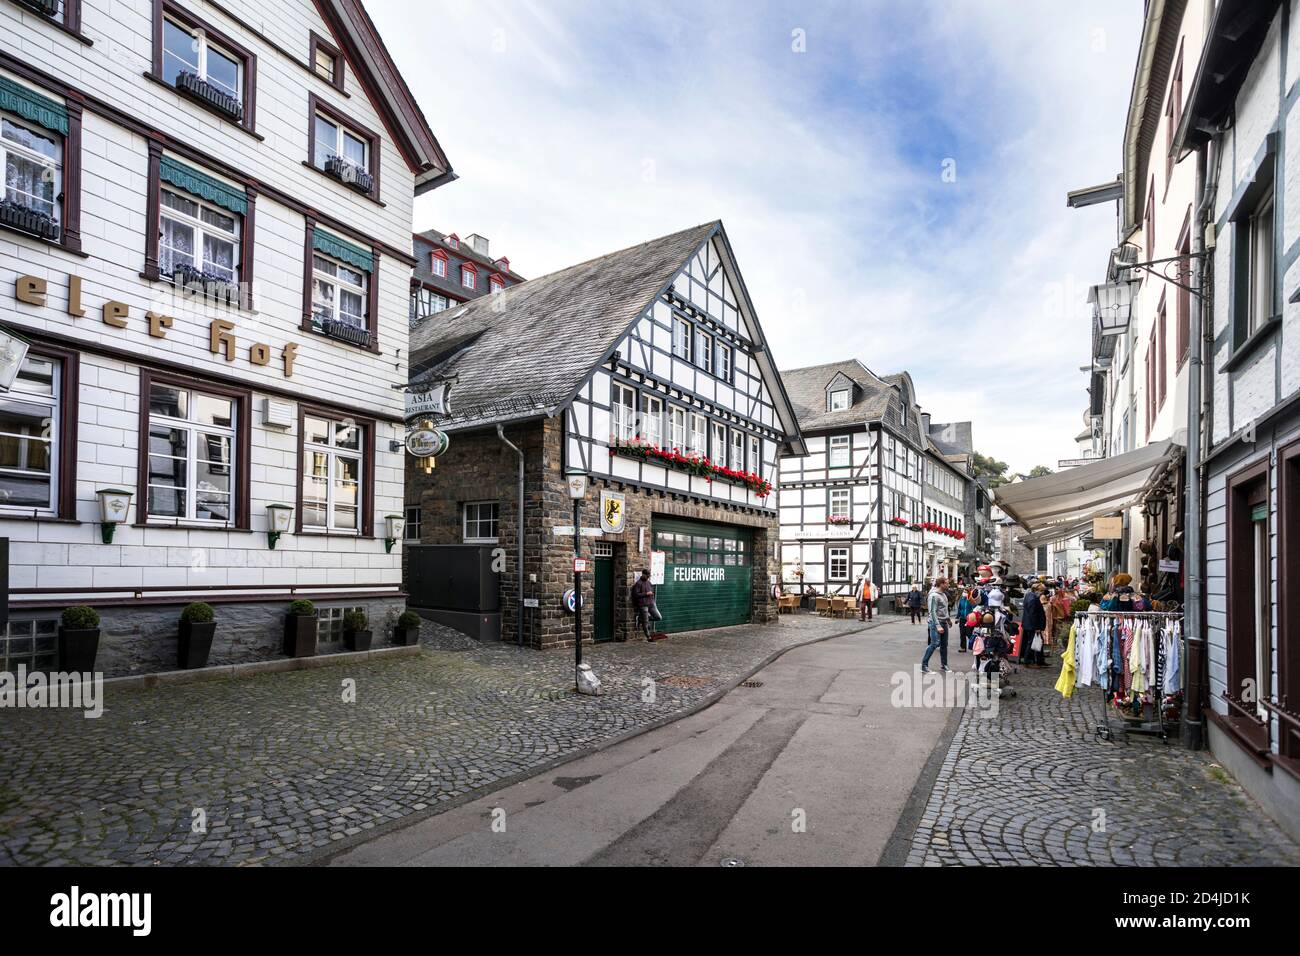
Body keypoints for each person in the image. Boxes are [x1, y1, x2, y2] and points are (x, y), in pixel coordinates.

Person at [921, 577, 952, 673]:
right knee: (934, 643)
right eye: (946, 583)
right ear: (941, 584)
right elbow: (932, 612)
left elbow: (944, 609)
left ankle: (944, 665)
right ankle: (924, 666)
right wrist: (938, 625)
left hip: (943, 622)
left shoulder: (943, 595)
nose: (948, 585)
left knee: (944, 644)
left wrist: (948, 619)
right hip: (935, 623)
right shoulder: (934, 596)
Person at [1019, 583, 1047, 667]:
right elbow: (1033, 614)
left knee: (1038, 642)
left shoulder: (1029, 595)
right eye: (1041, 590)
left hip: (1029, 624)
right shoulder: (1033, 599)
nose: (1042, 593)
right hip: (1032, 625)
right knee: (1031, 643)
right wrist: (1037, 627)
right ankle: (1028, 661)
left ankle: (1039, 660)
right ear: (1035, 590)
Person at [630, 569, 656, 640]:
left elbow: (652, 591)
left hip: (651, 603)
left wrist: (652, 598)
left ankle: (641, 619)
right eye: (647, 575)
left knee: (658, 617)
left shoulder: (649, 583)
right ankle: (648, 637)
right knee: (646, 621)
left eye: (649, 576)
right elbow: (635, 595)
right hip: (643, 604)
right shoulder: (638, 583)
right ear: (643, 574)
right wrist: (646, 594)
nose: (648, 577)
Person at [955, 588, 976, 653]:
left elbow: (975, 608)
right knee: (962, 633)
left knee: (969, 633)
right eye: (964, 591)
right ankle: (963, 647)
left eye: (966, 592)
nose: (964, 593)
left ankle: (974, 646)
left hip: (970, 619)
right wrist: (957, 617)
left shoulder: (971, 600)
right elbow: (959, 609)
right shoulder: (961, 600)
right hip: (962, 619)